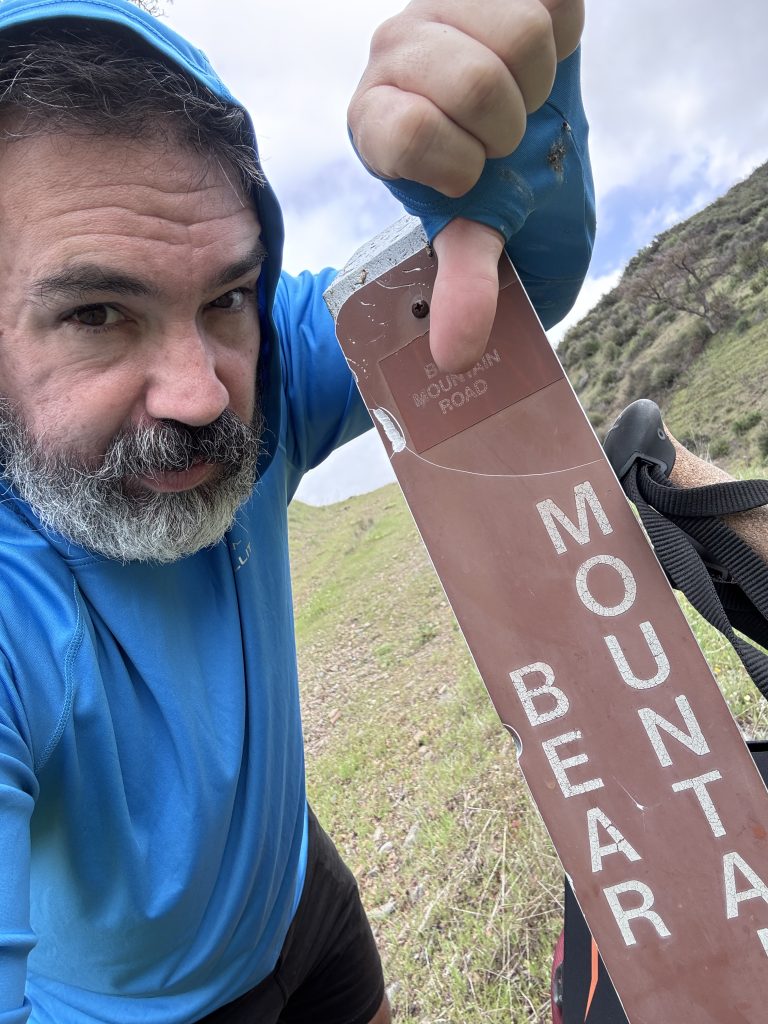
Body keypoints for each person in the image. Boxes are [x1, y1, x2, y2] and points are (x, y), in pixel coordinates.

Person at [0, 0, 593, 1021]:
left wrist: (509, 147)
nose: (201, 392)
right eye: (96, 313)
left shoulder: (269, 369)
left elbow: (506, 300)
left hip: (304, 898)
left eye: (227, 294)